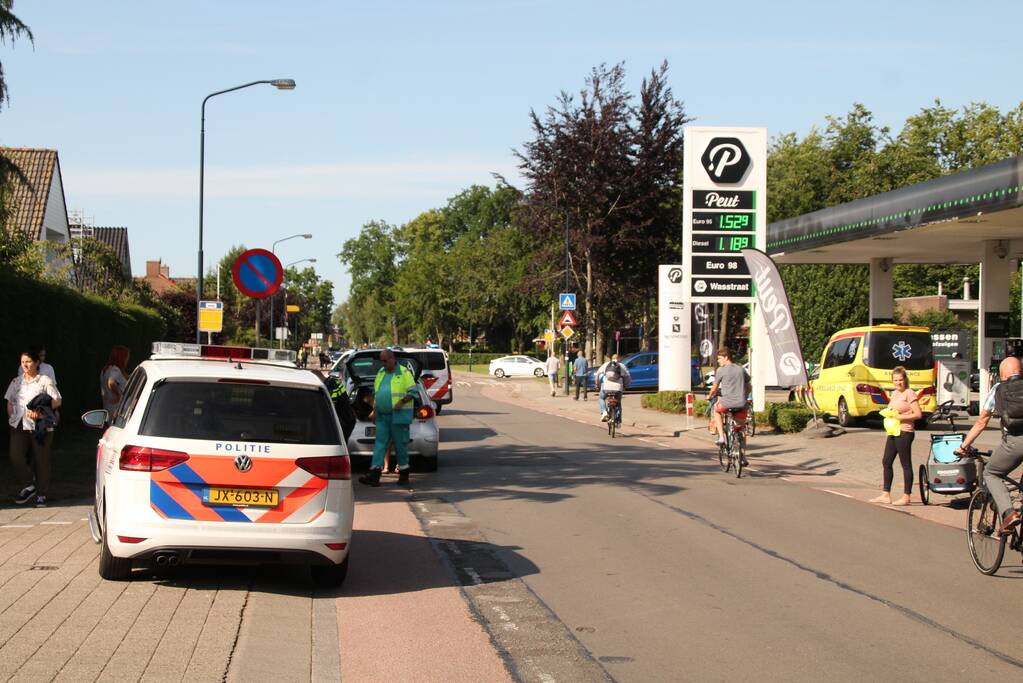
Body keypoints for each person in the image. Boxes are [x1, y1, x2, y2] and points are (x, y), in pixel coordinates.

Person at [957, 356, 1023, 534]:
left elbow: (981, 422)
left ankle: (1009, 514)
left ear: (1002, 374)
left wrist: (963, 447)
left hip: (1015, 443)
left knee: (991, 473)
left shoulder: (998, 389)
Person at [5, 349, 62, 507]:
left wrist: (41, 411)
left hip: (40, 426)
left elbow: (57, 400)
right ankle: (29, 485)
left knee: (41, 459)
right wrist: (11, 416)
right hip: (19, 424)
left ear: (37, 363)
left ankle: (41, 494)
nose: (25, 364)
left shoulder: (44, 380)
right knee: (16, 456)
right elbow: (9, 401)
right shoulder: (16, 382)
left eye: (28, 361)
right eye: (23, 362)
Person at [358, 350, 418, 487]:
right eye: (381, 361)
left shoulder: (404, 373)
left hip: (398, 416)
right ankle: (374, 474)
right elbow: (376, 393)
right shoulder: (381, 372)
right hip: (382, 417)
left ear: (393, 359)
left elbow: (413, 392)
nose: (383, 363)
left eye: (385, 361)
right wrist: (374, 410)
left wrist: (402, 402)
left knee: (400, 446)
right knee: (380, 445)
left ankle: (404, 475)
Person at [868, 366, 922, 506]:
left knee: (905, 464)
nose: (898, 383)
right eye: (895, 380)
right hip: (893, 430)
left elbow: (918, 414)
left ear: (905, 380)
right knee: (886, 461)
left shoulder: (909, 393)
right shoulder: (895, 394)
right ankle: (886, 494)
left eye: (900, 380)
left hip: (904, 431)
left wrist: (899, 416)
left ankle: (906, 496)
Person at [707, 347, 751, 454]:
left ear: (726, 357)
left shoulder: (721, 370)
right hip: (741, 404)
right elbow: (749, 387)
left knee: (716, 410)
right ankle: (743, 457)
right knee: (741, 429)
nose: (718, 361)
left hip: (726, 404)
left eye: (719, 358)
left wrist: (709, 396)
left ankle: (721, 437)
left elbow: (714, 388)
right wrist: (744, 397)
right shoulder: (741, 369)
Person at [597, 354, 631, 421]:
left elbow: (597, 375)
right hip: (618, 388)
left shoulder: (606, 364)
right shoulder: (622, 366)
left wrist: (597, 385)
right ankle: (618, 419)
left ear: (611, 359)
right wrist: (625, 386)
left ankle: (604, 412)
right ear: (619, 359)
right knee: (618, 402)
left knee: (601, 398)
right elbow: (629, 378)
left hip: (606, 387)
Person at [100, 346, 130, 416]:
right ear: (121, 358)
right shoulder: (115, 370)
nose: (127, 360)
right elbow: (111, 382)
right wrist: (119, 396)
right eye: (127, 357)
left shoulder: (106, 370)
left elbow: (125, 376)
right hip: (119, 410)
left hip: (108, 408)